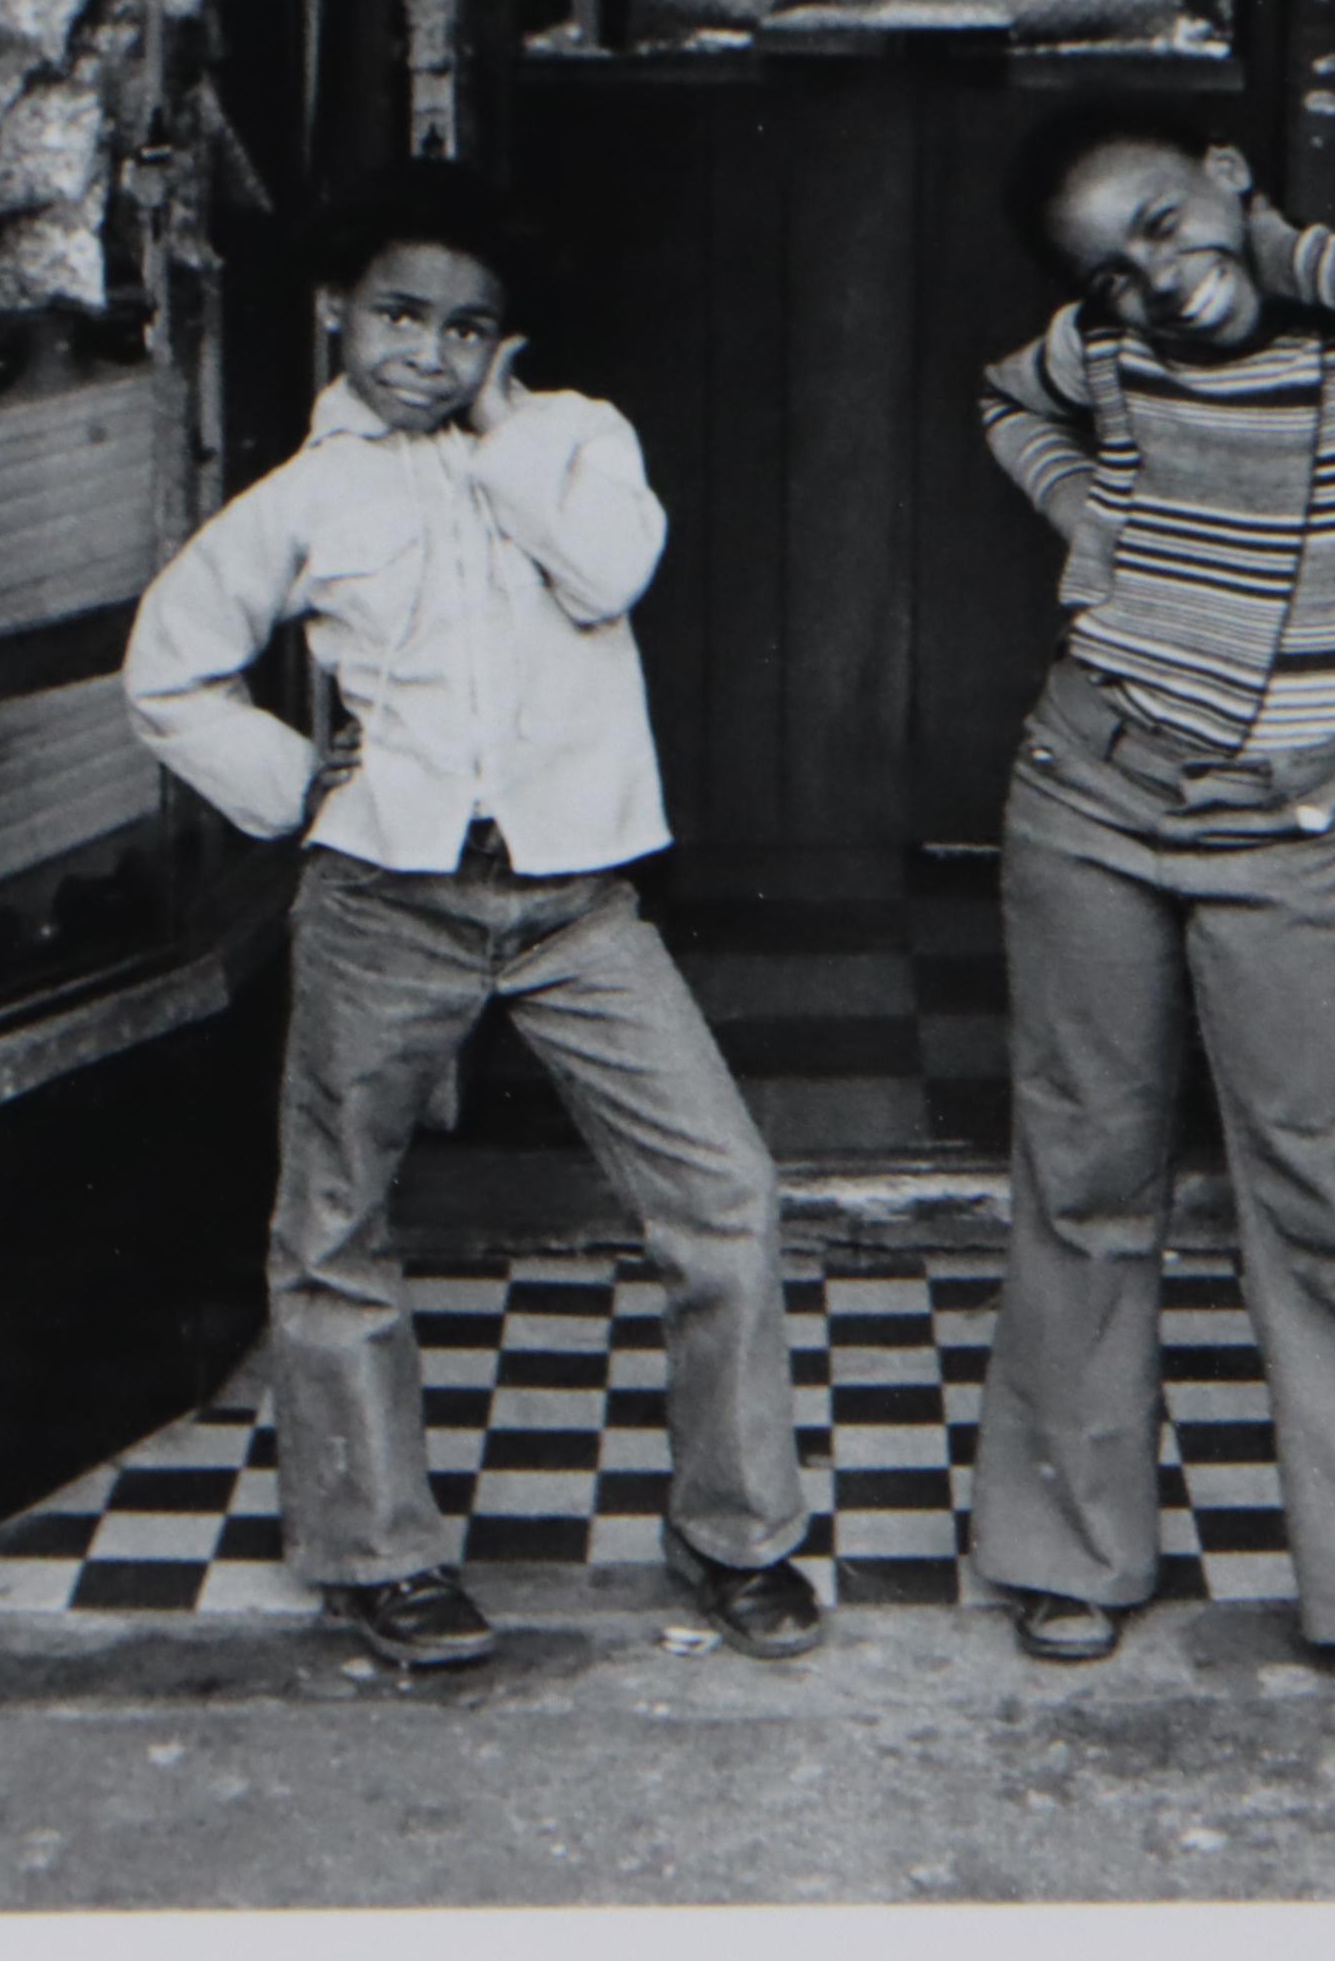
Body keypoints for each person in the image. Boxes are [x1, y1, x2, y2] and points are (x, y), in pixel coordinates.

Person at [119, 165, 821, 1672]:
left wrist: (506, 429)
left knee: (726, 1197)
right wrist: (296, 782)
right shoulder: (303, 499)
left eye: (466, 328)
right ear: (337, 311)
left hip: (576, 906)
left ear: (506, 342)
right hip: (388, 901)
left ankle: (737, 1534)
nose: (427, 353)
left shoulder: (577, 441)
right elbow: (168, 667)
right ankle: (380, 1557)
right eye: (398, 316)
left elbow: (612, 573)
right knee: (333, 1224)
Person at [966, 106, 1335, 1747]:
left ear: (1225, 170)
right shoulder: (1107, 354)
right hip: (1089, 794)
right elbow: (1004, 394)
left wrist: (1272, 246)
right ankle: (1068, 1552)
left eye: (1162, 219)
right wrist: (1079, 507)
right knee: (1085, 1173)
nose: (1152, 277)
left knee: (1330, 1195)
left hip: (1285, 829)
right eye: (1111, 266)